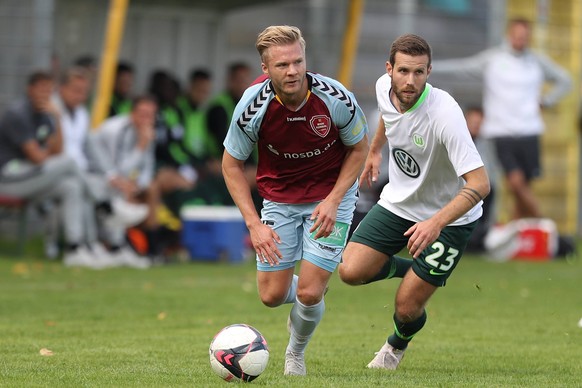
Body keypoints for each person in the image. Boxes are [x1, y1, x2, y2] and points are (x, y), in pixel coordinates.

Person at [222, 25, 369, 376]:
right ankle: (311, 289)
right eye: (282, 65)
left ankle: (295, 353)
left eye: (297, 62)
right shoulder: (252, 106)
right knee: (271, 296)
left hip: (331, 198)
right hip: (279, 199)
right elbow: (230, 165)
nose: (292, 71)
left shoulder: (335, 97)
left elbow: (359, 148)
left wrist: (334, 200)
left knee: (308, 292)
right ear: (265, 69)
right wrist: (254, 225)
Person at [338, 34, 490, 370]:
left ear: (429, 71)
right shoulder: (383, 88)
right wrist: (376, 149)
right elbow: (387, 115)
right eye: (404, 71)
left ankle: (395, 346)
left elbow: (480, 184)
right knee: (350, 271)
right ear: (389, 69)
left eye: (419, 72)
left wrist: (435, 223)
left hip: (450, 219)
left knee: (406, 308)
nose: (410, 81)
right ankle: (420, 274)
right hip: (400, 203)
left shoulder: (445, 114)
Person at [431, 17, 571, 219]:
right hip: (501, 131)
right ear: (509, 35)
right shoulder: (493, 59)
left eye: (524, 37)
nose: (520, 40)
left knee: (521, 190)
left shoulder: (536, 61)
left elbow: (565, 80)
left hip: (530, 130)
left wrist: (546, 101)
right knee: (514, 182)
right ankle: (546, 229)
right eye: (517, 36)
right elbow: (462, 68)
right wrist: (428, 68)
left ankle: (520, 239)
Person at [0, 70, 103, 268]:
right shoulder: (18, 113)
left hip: (30, 176)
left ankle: (75, 248)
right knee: (70, 163)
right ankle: (105, 204)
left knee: (71, 186)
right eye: (40, 89)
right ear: (29, 89)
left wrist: (57, 119)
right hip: (8, 178)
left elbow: (57, 151)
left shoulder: (47, 114)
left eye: (48, 90)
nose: (44, 94)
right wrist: (48, 153)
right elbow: (38, 157)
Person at [52, 67, 149, 267]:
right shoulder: (53, 110)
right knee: (84, 180)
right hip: (55, 170)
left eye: (84, 91)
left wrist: (116, 178)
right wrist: (117, 176)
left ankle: (110, 246)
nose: (80, 96)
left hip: (81, 175)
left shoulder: (80, 113)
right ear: (62, 89)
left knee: (86, 186)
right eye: (75, 90)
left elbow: (92, 149)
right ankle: (107, 212)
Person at [88, 95, 159, 269]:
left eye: (150, 115)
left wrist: (138, 186)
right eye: (142, 114)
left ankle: (149, 248)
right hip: (95, 176)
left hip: (120, 180)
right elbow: (116, 170)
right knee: (118, 190)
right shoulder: (115, 130)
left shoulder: (147, 133)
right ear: (132, 113)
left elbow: (147, 168)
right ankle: (116, 246)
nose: (146, 119)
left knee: (152, 189)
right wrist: (141, 146)